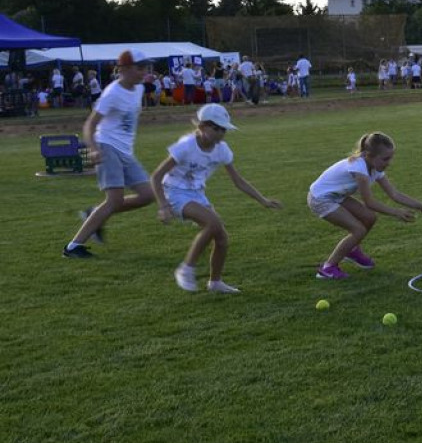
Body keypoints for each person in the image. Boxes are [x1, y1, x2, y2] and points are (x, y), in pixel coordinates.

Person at [150, 104, 282, 294]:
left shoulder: (222, 150)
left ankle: (215, 282)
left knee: (221, 238)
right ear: (202, 126)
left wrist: (263, 200)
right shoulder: (186, 145)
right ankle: (186, 269)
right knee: (213, 223)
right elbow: (156, 176)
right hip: (174, 191)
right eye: (216, 128)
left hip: (197, 193)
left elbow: (238, 181)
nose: (221, 133)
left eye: (224, 129)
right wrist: (163, 206)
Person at [63, 50, 156, 258]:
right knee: (114, 200)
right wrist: (94, 149)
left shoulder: (139, 89)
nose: (144, 72)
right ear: (123, 69)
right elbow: (90, 125)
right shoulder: (112, 93)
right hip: (107, 146)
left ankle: (94, 213)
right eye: (140, 67)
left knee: (148, 195)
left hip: (125, 151)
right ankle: (72, 247)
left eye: (145, 67)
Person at [307, 132, 422, 280]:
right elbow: (370, 202)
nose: (389, 163)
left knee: (369, 218)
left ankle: (352, 250)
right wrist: (396, 212)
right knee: (358, 229)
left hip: (337, 196)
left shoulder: (375, 168)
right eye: (385, 159)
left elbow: (394, 194)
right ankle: (328, 268)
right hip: (320, 198)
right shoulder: (359, 169)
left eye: (391, 158)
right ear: (369, 155)